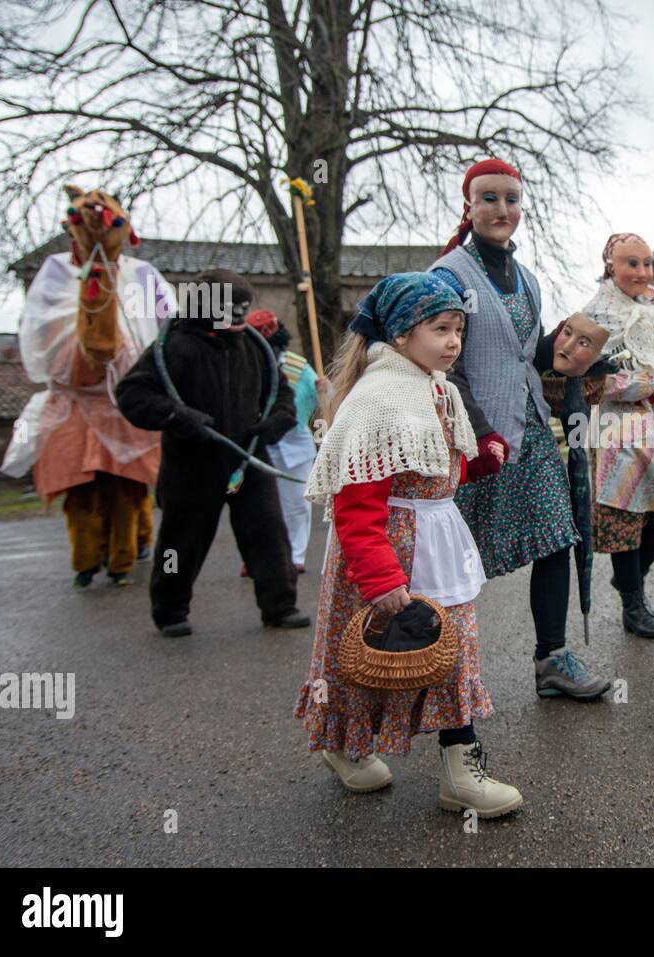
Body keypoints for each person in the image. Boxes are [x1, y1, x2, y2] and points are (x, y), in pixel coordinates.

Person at [295, 272, 522, 816]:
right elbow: (356, 505)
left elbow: (426, 471)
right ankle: (348, 747)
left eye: (459, 330)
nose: (453, 342)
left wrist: (476, 463)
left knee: (451, 650)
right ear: (400, 334)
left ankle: (458, 769)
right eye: (440, 329)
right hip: (391, 551)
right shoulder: (379, 401)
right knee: (372, 652)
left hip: (434, 539)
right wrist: (379, 579)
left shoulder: (436, 388)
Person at [431, 158, 611, 700]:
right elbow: (447, 360)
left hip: (530, 431)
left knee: (558, 536)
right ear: (469, 206)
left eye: (511, 199)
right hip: (474, 438)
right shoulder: (447, 275)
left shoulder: (528, 279)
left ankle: (552, 659)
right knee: (454, 554)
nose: (501, 209)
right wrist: (480, 431)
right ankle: (427, 658)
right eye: (489, 198)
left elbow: (525, 356)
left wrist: (581, 359)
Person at [116, 269, 309, 637]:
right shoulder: (173, 346)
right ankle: (170, 610)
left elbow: (283, 395)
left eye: (243, 307)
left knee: (269, 534)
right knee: (178, 544)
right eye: (229, 307)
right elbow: (132, 394)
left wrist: (276, 422)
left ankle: (280, 606)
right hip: (191, 466)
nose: (239, 315)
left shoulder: (255, 347)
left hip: (248, 460)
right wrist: (177, 415)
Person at [1, 185, 164, 588]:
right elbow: (40, 328)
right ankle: (86, 557)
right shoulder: (58, 272)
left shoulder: (141, 275)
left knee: (129, 486)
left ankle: (128, 551)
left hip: (122, 400)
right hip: (74, 403)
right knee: (80, 489)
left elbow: (162, 325)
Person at [579, 233, 654, 637]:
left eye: (648, 263)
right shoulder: (596, 314)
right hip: (618, 428)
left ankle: (630, 578)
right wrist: (651, 384)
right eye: (632, 263)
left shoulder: (653, 313)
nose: (643, 272)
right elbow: (589, 380)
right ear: (610, 264)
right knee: (625, 517)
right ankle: (634, 605)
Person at [242, 310, 320, 573]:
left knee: (297, 502)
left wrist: (325, 391)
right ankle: (254, 557)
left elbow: (321, 404)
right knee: (257, 503)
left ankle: (295, 555)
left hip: (295, 440)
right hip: (256, 440)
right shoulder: (242, 363)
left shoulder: (299, 367)